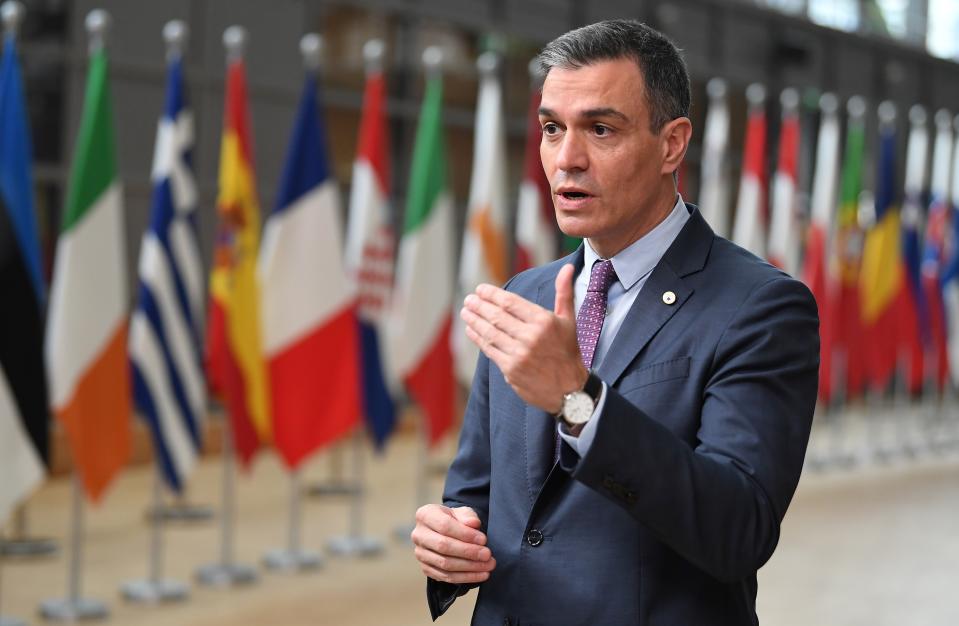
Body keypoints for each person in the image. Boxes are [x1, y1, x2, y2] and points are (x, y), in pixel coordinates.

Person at [411, 19, 819, 626]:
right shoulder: (524, 294)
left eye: (600, 129)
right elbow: (477, 496)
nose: (566, 159)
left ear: (672, 144)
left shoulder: (760, 307)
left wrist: (579, 402)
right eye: (552, 129)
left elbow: (739, 529)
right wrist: (448, 540)